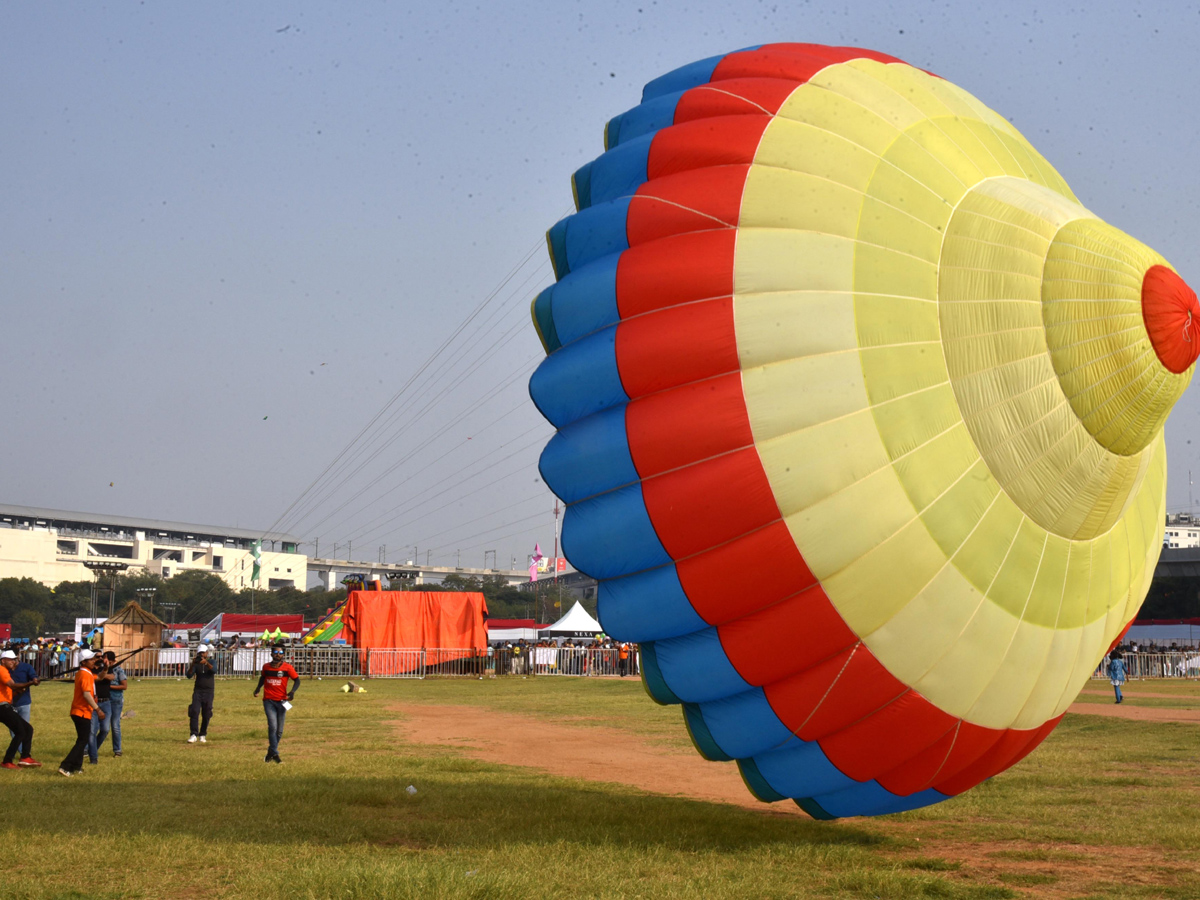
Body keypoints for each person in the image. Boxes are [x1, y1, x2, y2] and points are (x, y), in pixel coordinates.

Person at [59, 650, 105, 777]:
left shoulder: (86, 673)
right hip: (81, 711)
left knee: (82, 740)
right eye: (91, 659)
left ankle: (76, 766)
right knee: (82, 740)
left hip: (81, 711)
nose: (94, 660)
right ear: (83, 662)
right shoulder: (85, 674)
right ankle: (65, 766)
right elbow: (86, 694)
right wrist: (98, 709)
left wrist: (106, 668)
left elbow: (100, 677)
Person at [252, 646, 299, 763]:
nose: (278, 654)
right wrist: (258, 689)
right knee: (272, 726)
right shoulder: (266, 667)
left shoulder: (287, 667)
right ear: (271, 654)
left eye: (281, 652)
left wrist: (292, 692)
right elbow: (263, 678)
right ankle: (276, 754)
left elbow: (297, 680)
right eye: (276, 652)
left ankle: (270, 753)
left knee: (279, 730)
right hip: (269, 700)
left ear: (283, 654)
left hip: (282, 701)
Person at [1, 650, 40, 769]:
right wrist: (29, 683)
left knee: (28, 729)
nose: (13, 661)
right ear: (3, 660)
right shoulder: (2, 670)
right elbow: (12, 685)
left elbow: (8, 691)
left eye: (14, 659)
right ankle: (7, 761)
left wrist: (17, 691)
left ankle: (25, 757)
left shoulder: (5, 671)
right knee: (21, 731)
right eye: (10, 659)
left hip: (4, 705)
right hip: (1, 707)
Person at [87, 654, 115, 764]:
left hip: (106, 702)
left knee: (105, 729)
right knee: (92, 731)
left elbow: (112, 677)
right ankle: (93, 757)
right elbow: (99, 678)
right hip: (93, 703)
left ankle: (92, 749)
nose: (99, 659)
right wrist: (103, 675)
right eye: (97, 657)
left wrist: (104, 672)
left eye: (101, 657)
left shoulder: (106, 668)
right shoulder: (89, 670)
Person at [186, 644, 215, 743]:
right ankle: (193, 734)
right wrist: (193, 664)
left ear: (207, 653)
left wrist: (206, 663)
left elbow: (214, 670)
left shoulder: (211, 661)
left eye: (203, 653)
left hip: (208, 691)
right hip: (198, 691)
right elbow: (189, 675)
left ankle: (203, 734)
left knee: (207, 713)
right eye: (200, 653)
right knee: (194, 711)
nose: (202, 655)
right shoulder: (196, 663)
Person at [101, 651, 128, 757]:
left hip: (115, 700)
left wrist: (109, 687)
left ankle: (117, 749)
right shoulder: (102, 670)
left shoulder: (118, 670)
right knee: (102, 726)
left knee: (115, 725)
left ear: (112, 661)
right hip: (104, 700)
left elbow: (124, 686)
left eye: (107, 660)